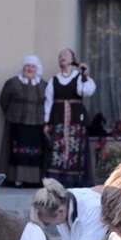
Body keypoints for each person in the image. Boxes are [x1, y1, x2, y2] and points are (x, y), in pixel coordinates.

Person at [44, 48, 96, 187]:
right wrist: (46, 122)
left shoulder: (79, 77)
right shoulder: (54, 80)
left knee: (76, 147)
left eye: (66, 55)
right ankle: (57, 180)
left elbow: (86, 91)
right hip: (58, 118)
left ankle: (75, 180)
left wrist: (84, 74)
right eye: (60, 55)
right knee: (57, 148)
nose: (63, 57)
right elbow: (49, 101)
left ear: (73, 58)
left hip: (75, 119)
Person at [0, 56, 47, 187]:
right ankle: (17, 179)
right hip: (17, 123)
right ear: (23, 68)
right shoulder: (13, 83)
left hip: (37, 124)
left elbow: (48, 103)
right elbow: (3, 101)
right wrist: (13, 113)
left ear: (37, 69)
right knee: (18, 153)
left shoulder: (43, 85)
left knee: (34, 153)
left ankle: (33, 180)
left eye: (33, 66)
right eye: (27, 66)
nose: (29, 69)